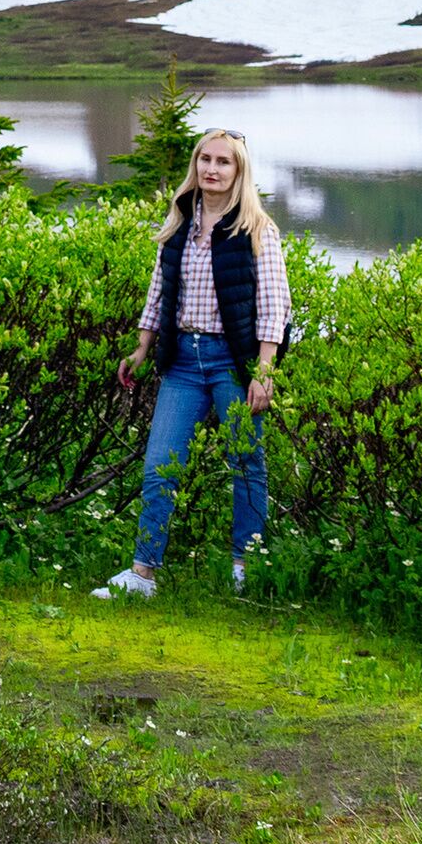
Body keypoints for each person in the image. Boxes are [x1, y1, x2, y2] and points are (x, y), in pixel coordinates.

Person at [93, 129, 290, 601]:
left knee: (245, 462)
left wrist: (264, 373)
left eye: (224, 162)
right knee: (161, 464)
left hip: (232, 365)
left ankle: (246, 566)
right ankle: (142, 576)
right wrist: (142, 347)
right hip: (182, 361)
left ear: (239, 171)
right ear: (195, 165)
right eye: (205, 159)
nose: (212, 169)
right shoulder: (180, 222)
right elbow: (158, 291)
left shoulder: (257, 230)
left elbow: (274, 305)